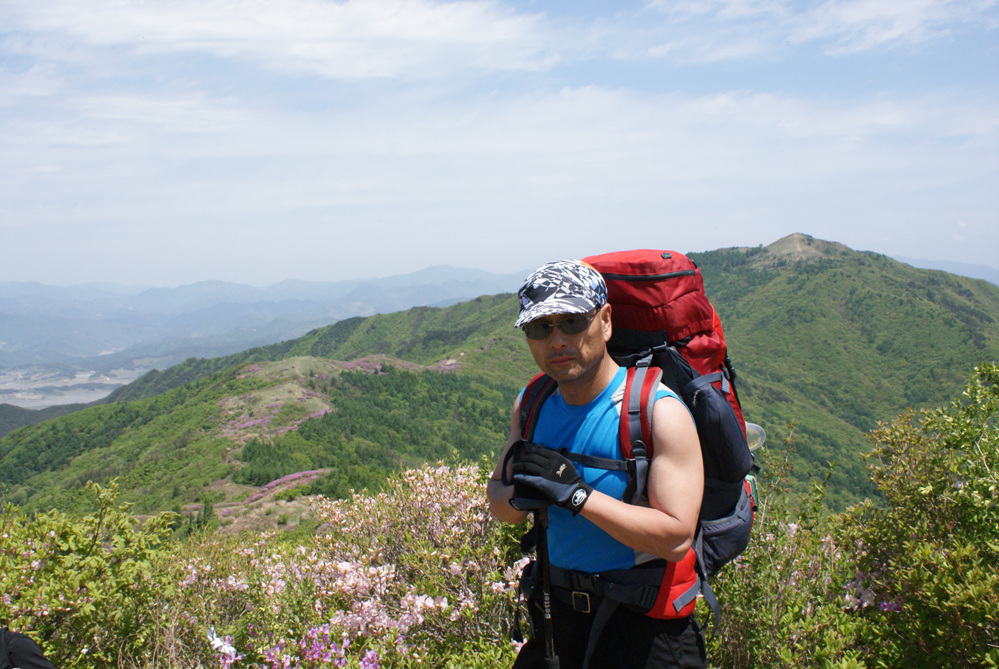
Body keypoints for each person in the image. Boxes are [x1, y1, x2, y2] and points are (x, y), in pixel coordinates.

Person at [487, 259, 707, 669]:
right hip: (558, 620)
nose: (557, 341)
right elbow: (498, 499)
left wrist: (576, 497)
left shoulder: (657, 413)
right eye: (540, 328)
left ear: (605, 321)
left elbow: (675, 538)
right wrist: (521, 496)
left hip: (643, 631)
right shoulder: (532, 404)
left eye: (572, 322)